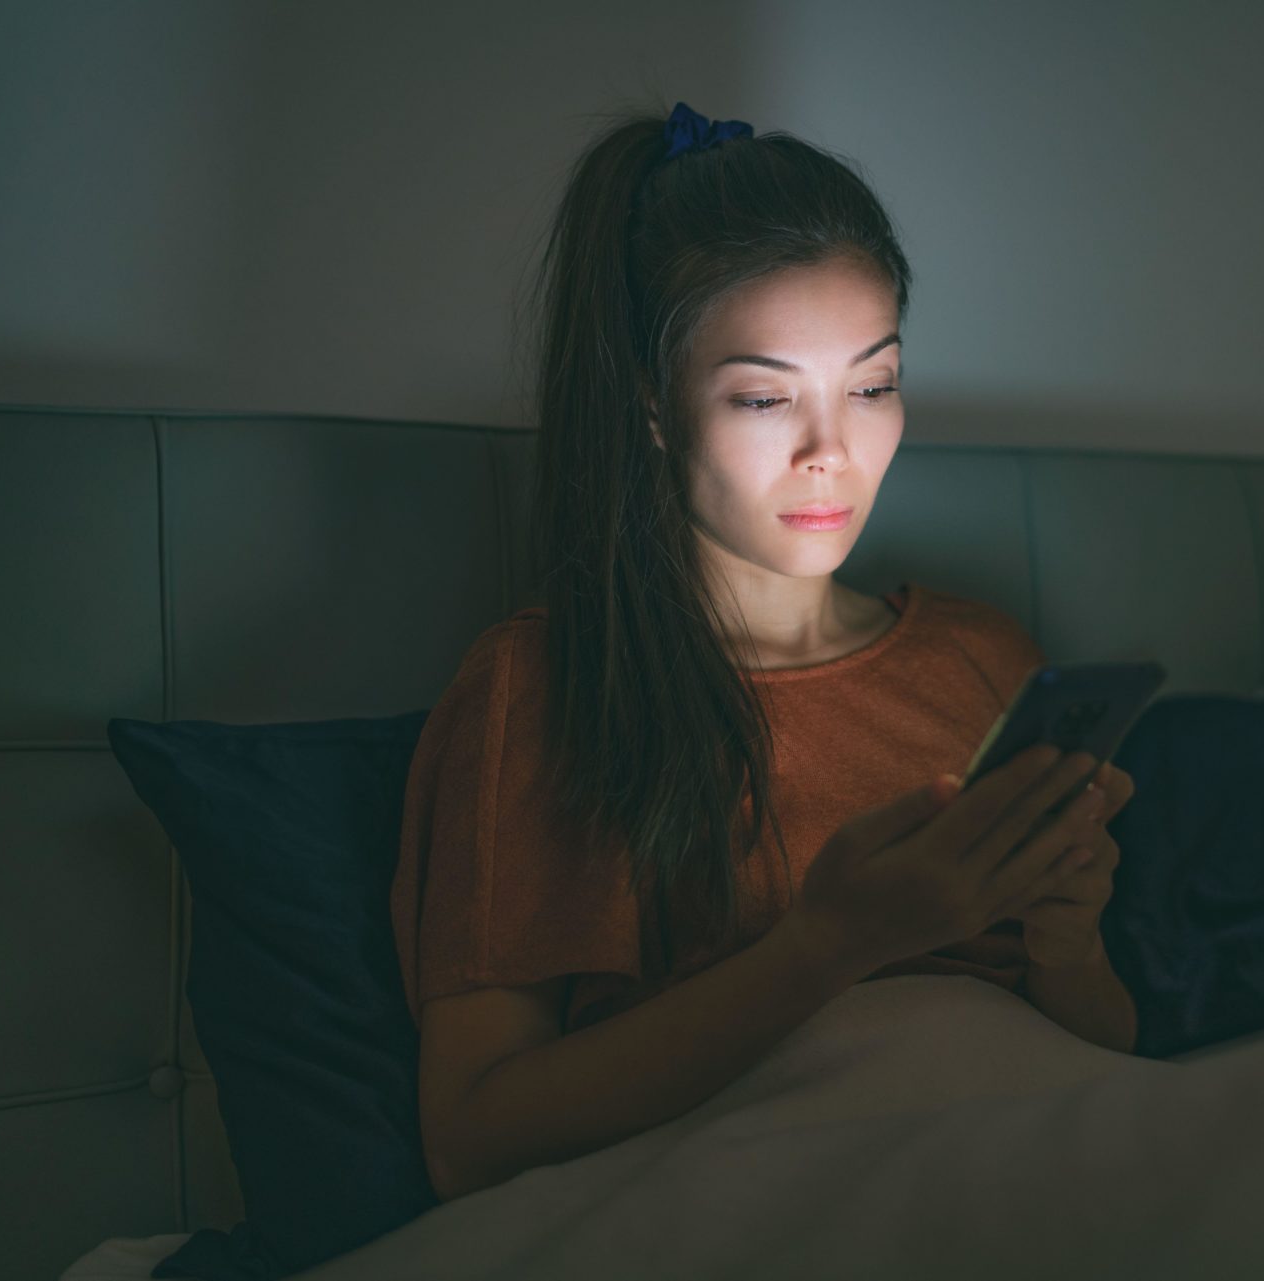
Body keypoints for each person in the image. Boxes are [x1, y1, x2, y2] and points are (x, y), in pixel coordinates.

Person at [389, 100, 1139, 1204]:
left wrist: (1071, 946)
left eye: (873, 386)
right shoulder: (547, 691)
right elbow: (473, 1140)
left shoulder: (983, 656)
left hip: (1049, 1153)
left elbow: (1105, 1050)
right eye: (763, 397)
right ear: (652, 406)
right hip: (784, 1195)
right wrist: (825, 947)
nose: (831, 452)